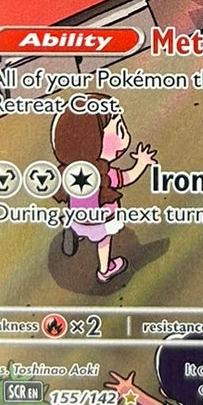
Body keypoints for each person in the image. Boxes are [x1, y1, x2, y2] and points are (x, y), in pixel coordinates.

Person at [51, 95, 154, 286]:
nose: (125, 136)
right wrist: (142, 163)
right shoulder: (105, 174)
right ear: (93, 141)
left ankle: (74, 231)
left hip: (78, 215)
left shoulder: (70, 172)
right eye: (119, 130)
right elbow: (128, 177)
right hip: (101, 219)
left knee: (79, 221)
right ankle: (105, 270)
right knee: (103, 241)